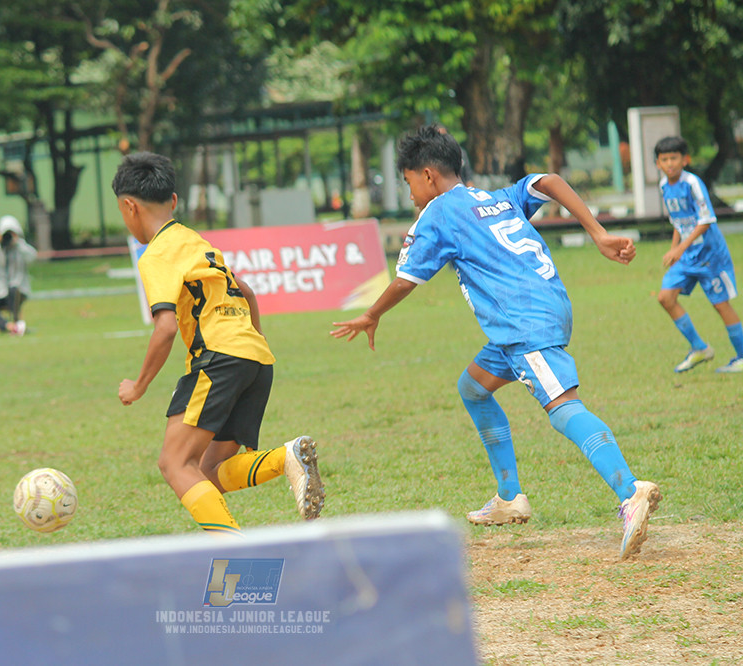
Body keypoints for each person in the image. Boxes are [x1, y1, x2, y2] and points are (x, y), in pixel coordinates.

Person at [331, 125, 661, 560]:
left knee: (563, 409)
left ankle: (630, 489)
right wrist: (597, 232)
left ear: (427, 175)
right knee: (473, 387)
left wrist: (372, 314)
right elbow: (549, 182)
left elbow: (406, 279)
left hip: (523, 322)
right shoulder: (492, 197)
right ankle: (509, 499)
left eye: (408, 180)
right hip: (541, 310)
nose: (409, 191)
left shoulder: (437, 214)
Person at [112, 151, 324, 535]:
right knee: (206, 470)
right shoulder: (195, 241)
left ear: (129, 207)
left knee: (174, 464)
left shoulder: (156, 253)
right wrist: (254, 341)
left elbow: (164, 328)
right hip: (256, 360)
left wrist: (138, 386)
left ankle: (233, 551)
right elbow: (245, 290)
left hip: (219, 360)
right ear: (174, 201)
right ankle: (285, 458)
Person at [654, 136, 742, 374]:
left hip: (709, 255)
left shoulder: (692, 183)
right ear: (658, 163)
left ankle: (742, 357)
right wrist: (675, 250)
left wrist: (679, 249)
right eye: (665, 159)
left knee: (720, 304)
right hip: (686, 256)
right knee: (665, 298)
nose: (670, 163)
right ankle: (699, 348)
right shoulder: (664, 186)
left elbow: (705, 220)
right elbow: (678, 222)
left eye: (674, 158)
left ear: (685, 160)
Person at [0, 214, 37, 336]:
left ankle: (17, 324)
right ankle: (7, 326)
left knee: (14, 290)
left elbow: (33, 257)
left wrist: (18, 242)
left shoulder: (21, 248)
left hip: (17, 290)